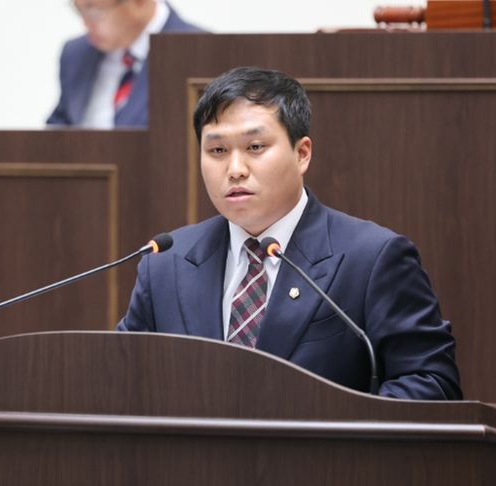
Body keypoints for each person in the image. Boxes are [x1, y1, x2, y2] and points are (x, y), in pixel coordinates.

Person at [117, 66, 462, 400]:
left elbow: (432, 383)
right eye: (217, 151)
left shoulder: (372, 258)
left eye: (255, 147)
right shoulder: (165, 263)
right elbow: (120, 381)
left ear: (302, 154)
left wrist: (334, 426)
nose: (235, 170)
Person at [47, 0, 203, 128]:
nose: (85, 24)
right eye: (79, 10)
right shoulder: (75, 53)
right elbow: (61, 123)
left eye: (95, 12)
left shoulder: (199, 52)